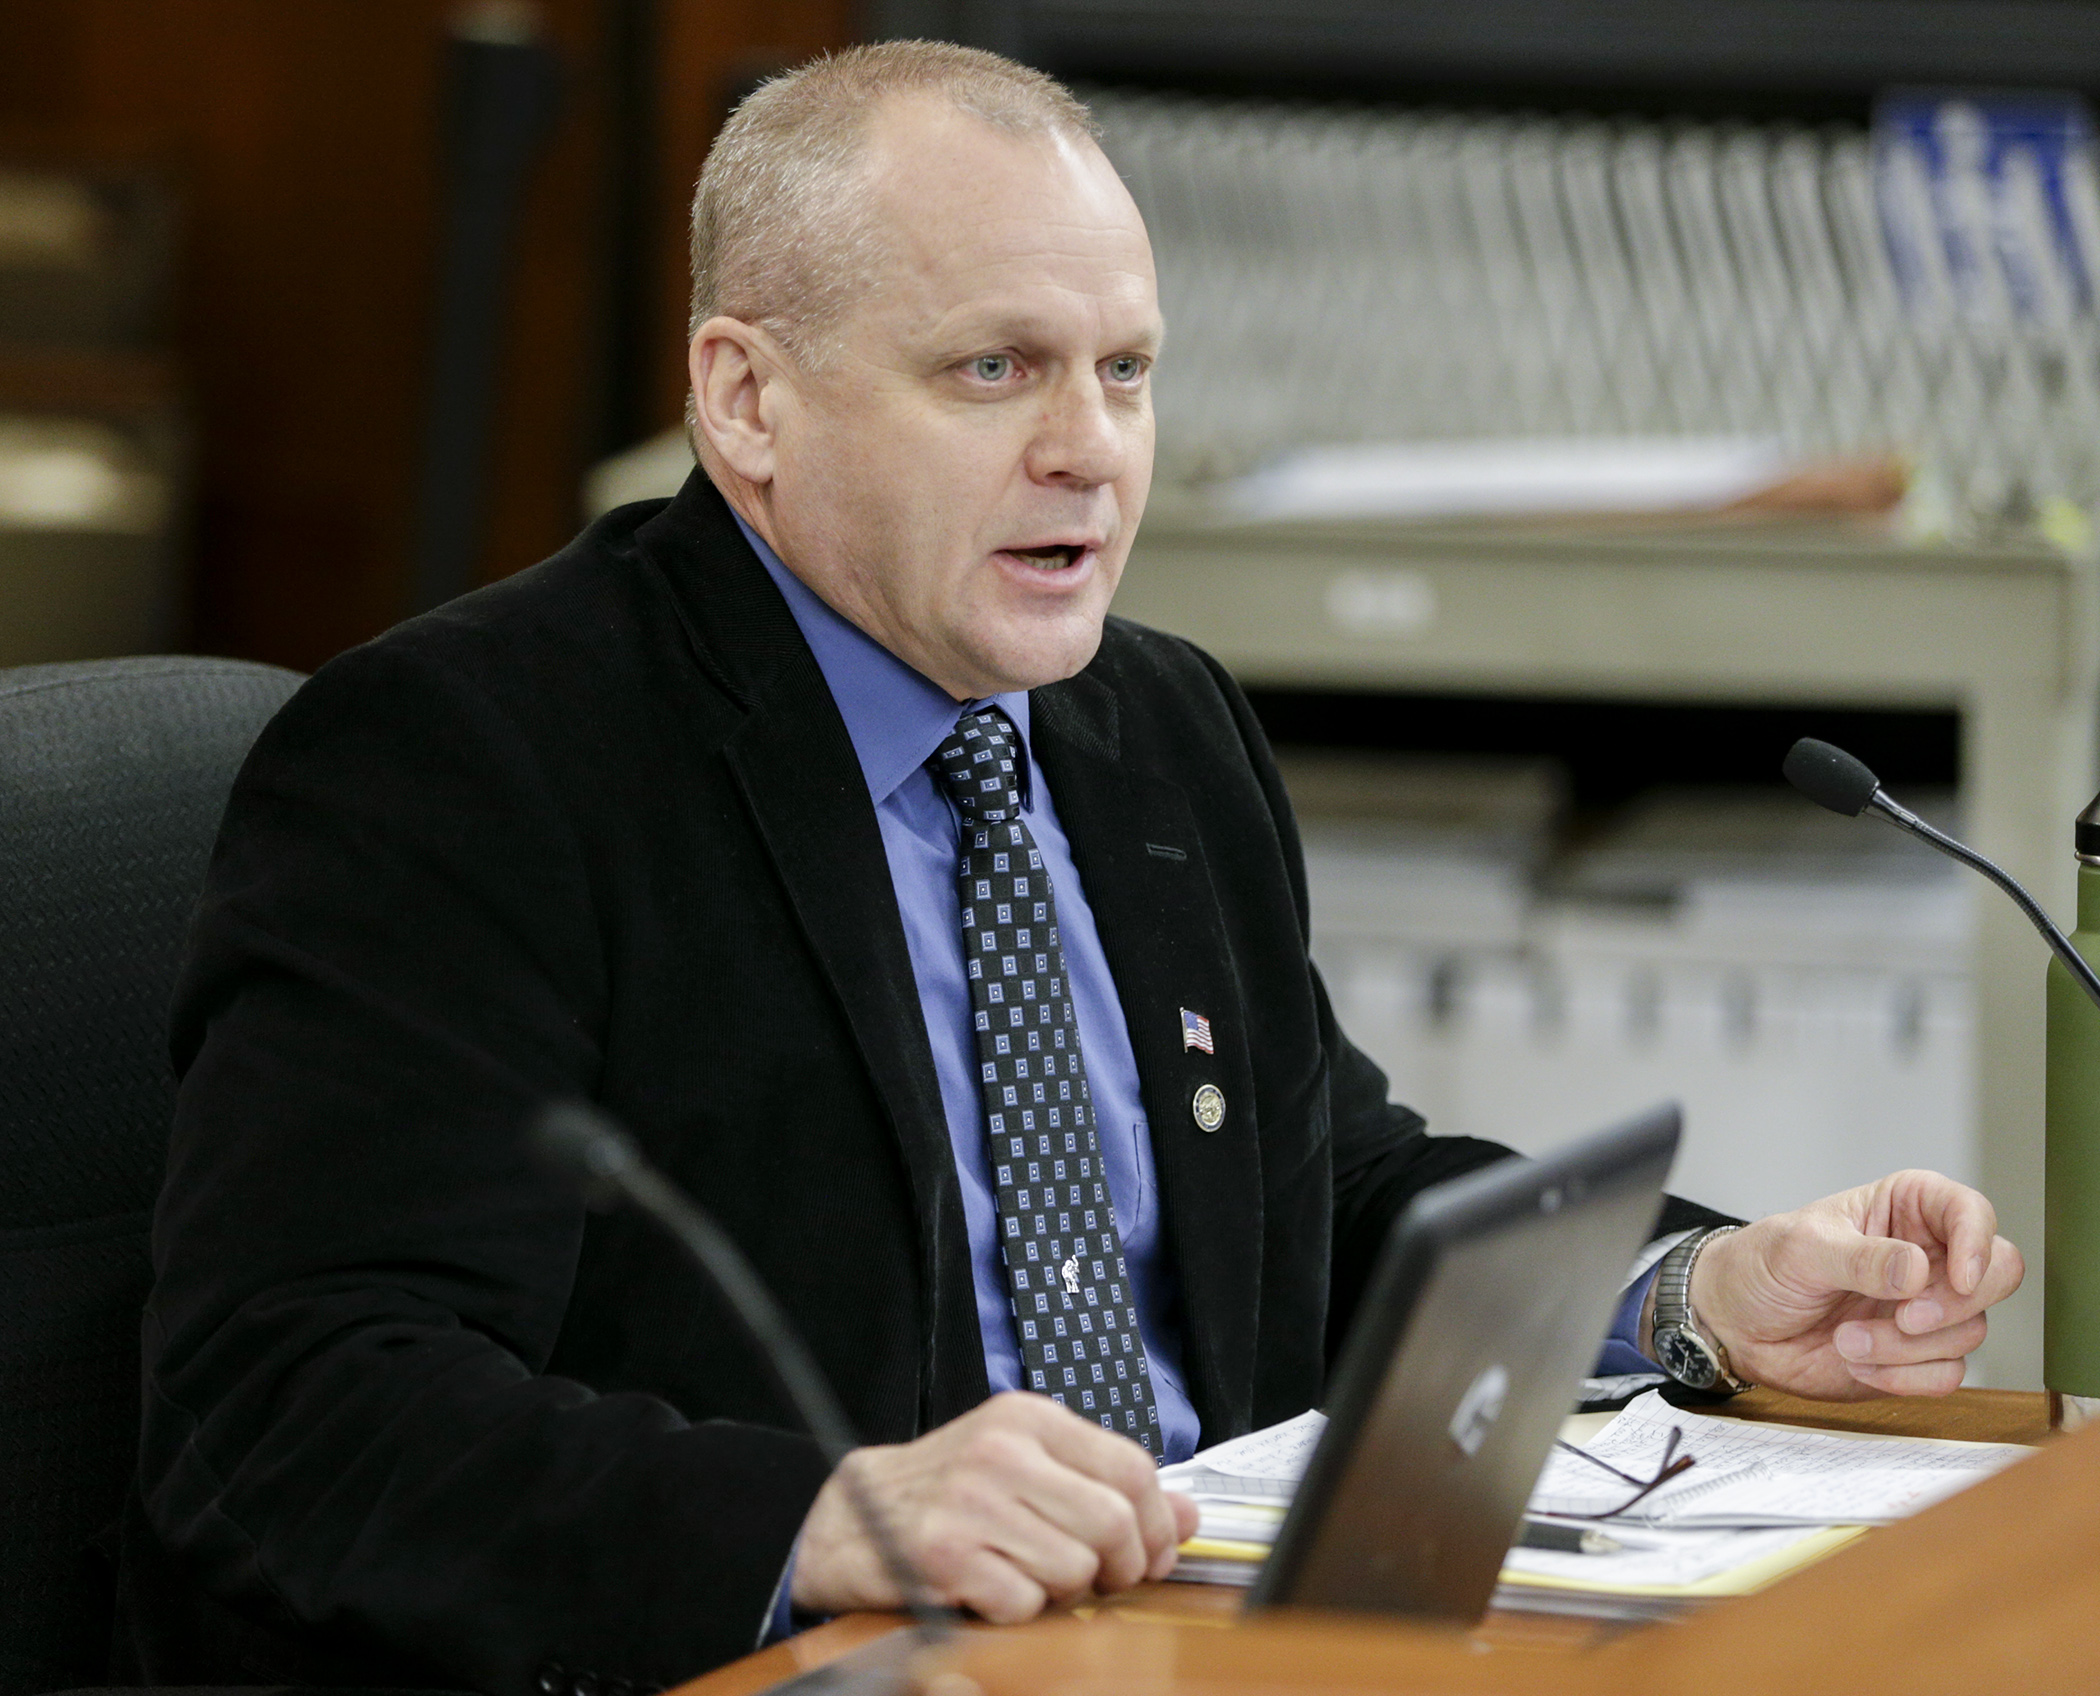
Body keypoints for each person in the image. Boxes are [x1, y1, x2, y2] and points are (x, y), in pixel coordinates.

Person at [118, 41, 2025, 1695]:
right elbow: (289, 1411)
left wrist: (1694, 1294)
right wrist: (829, 1511)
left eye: (1124, 370)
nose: (1089, 453)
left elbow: (1321, 1193)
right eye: (994, 370)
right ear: (746, 397)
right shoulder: (472, 760)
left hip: (1194, 1627)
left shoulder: (1154, 726)